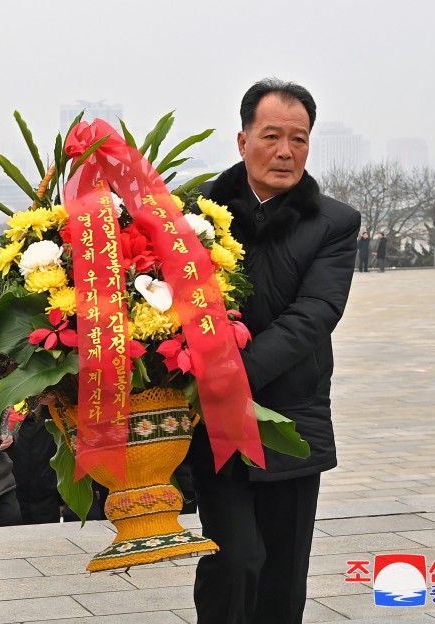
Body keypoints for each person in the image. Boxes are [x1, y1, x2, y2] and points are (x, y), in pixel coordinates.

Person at [189, 79, 360, 624]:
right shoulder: (194, 218)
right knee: (233, 561)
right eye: (271, 136)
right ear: (242, 141)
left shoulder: (333, 223)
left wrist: (232, 374)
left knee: (283, 576)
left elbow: (315, 314)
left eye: (299, 139)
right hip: (216, 421)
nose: (285, 152)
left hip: (290, 419)